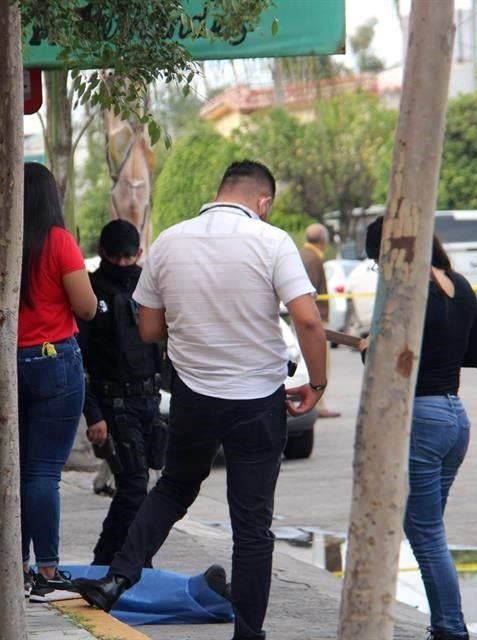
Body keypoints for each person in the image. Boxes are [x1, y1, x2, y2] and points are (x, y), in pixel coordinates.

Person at [73, 160, 328, 640]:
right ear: (263, 202)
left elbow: (149, 329)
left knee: (171, 489)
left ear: (220, 189)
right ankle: (248, 634)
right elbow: (309, 322)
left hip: (194, 397)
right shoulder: (273, 242)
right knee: (252, 527)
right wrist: (317, 384)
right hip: (256, 400)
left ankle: (116, 578)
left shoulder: (170, 240)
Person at [0, 163, 97, 601]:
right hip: (55, 360)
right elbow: (87, 306)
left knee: (15, 471)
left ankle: (15, 567)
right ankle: (47, 571)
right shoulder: (59, 242)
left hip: (7, 364)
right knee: (43, 472)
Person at [361, 217, 477, 640]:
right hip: (455, 417)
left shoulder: (405, 293)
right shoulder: (459, 285)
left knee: (427, 535)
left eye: (377, 260)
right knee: (429, 531)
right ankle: (444, 624)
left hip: (422, 419)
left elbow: (385, 366)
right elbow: (474, 355)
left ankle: (451, 628)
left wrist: (369, 347)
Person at [78, 219, 167, 567]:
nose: (124, 266)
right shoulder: (91, 292)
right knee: (132, 485)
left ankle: (133, 561)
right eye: (117, 259)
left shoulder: (151, 286)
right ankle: (108, 562)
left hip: (149, 399)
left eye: (130, 260)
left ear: (140, 254)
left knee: (147, 486)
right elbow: (78, 357)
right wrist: (93, 413)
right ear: (103, 254)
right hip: (113, 402)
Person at [299, 222, 341, 419]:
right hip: (315, 320)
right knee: (321, 363)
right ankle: (319, 404)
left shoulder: (303, 254)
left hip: (305, 319)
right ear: (323, 241)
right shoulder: (313, 259)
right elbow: (311, 293)